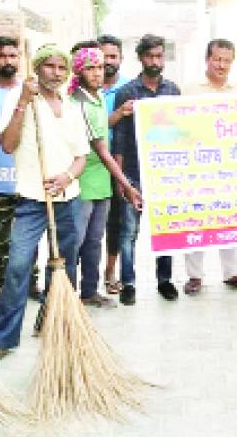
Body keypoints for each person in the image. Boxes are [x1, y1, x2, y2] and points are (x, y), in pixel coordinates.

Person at [0, 44, 90, 363]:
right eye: (50, 66)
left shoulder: (72, 106)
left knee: (64, 267)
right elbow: (6, 144)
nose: (56, 73)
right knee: (17, 266)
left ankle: (53, 324)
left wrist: (66, 178)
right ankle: (3, 338)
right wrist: (23, 102)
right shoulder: (20, 100)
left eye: (62, 68)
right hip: (31, 198)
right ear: (38, 67)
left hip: (67, 198)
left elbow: (81, 156)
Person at [68, 45, 140, 308]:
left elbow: (101, 128)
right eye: (91, 68)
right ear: (79, 70)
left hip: (101, 180)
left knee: (94, 242)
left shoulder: (96, 98)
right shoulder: (77, 102)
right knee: (74, 243)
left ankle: (89, 291)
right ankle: (65, 295)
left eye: (100, 67)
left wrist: (119, 114)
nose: (97, 73)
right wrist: (128, 185)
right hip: (83, 180)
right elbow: (101, 149)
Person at [113, 34, 180, 305]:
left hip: (164, 173)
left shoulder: (173, 90)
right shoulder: (127, 92)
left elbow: (180, 131)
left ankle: (164, 281)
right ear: (140, 58)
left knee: (165, 229)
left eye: (159, 56)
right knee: (129, 231)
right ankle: (128, 283)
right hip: (133, 171)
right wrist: (121, 180)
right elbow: (118, 138)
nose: (155, 62)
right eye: (150, 56)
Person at [182, 39, 237, 295]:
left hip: (231, 166)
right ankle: (194, 277)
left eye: (227, 60)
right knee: (197, 220)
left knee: (231, 219)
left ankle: (232, 273)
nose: (222, 65)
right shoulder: (188, 90)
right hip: (198, 166)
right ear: (207, 59)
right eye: (217, 59)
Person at [0, 36, 40, 300]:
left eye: (13, 56)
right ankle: (7, 290)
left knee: (29, 240)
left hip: (28, 180)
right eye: (2, 56)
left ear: (20, 58)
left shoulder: (31, 92)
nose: (8, 61)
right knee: (3, 242)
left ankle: (31, 285)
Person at [99, 34, 131, 295]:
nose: (108, 61)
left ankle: (110, 272)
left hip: (120, 164)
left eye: (113, 56)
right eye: (103, 56)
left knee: (117, 222)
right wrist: (119, 114)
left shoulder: (130, 89)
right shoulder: (80, 89)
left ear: (121, 59)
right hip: (88, 166)